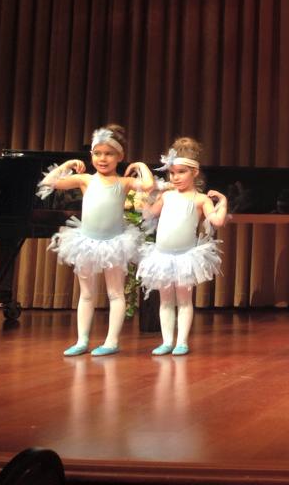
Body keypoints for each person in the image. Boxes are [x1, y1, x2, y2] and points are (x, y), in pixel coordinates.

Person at [38, 125, 154, 356]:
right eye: (98, 153)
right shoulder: (86, 180)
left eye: (109, 153)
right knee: (87, 294)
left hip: (115, 243)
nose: (103, 158)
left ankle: (111, 341)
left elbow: (149, 186)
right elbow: (50, 183)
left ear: (119, 156)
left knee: (115, 293)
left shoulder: (124, 182)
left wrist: (140, 165)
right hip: (87, 242)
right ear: (91, 155)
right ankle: (82, 340)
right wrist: (67, 164)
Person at [136, 137, 228, 356]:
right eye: (172, 173)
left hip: (186, 257)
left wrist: (223, 202)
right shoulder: (166, 196)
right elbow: (148, 214)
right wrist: (145, 195)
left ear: (194, 172)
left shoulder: (201, 199)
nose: (175, 177)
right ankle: (167, 341)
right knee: (166, 300)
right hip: (162, 255)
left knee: (185, 300)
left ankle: (182, 342)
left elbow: (217, 221)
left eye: (181, 172)